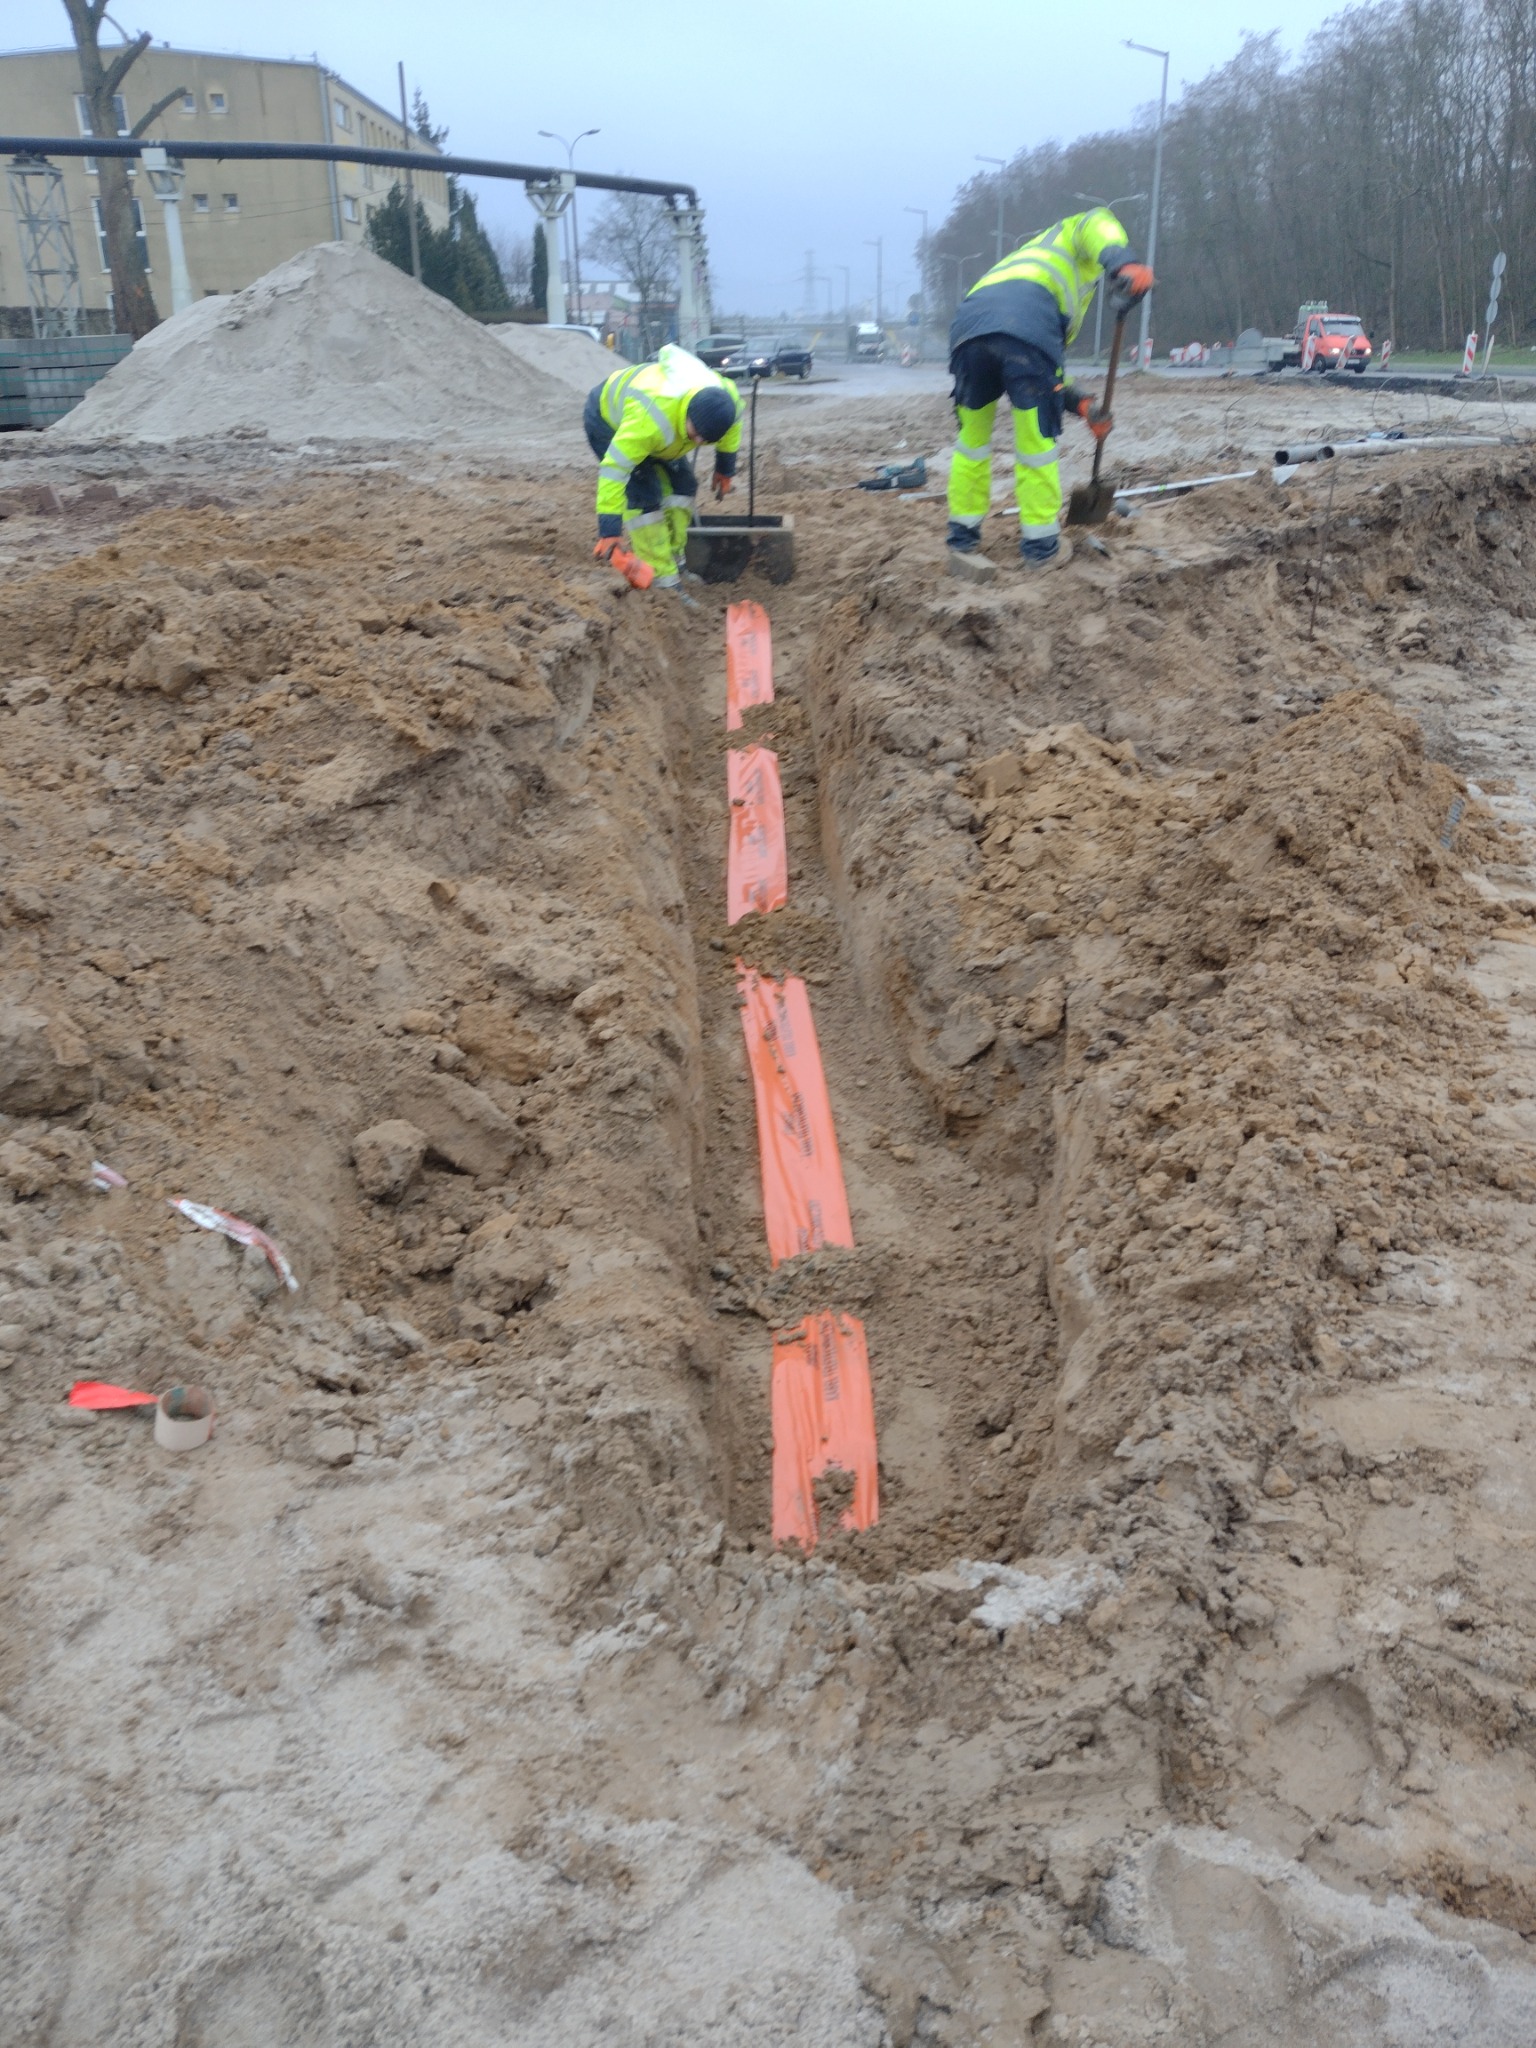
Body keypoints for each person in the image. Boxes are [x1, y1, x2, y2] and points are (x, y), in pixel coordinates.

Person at [945, 208, 1154, 569]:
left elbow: (1047, 374)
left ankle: (962, 539)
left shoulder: (1026, 261)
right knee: (1036, 443)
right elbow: (1098, 223)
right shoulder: (1075, 232)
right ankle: (1041, 549)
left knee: (971, 443)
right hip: (1027, 329)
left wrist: (1084, 405)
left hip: (968, 330)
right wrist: (1124, 263)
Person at [585, 343, 744, 588]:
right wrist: (609, 530)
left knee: (684, 486)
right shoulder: (650, 419)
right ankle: (663, 579)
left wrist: (725, 467)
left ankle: (675, 560)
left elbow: (733, 428)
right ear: (688, 413)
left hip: (663, 429)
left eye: (706, 440)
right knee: (644, 495)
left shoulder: (727, 400)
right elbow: (614, 471)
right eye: (696, 433)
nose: (698, 441)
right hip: (607, 419)